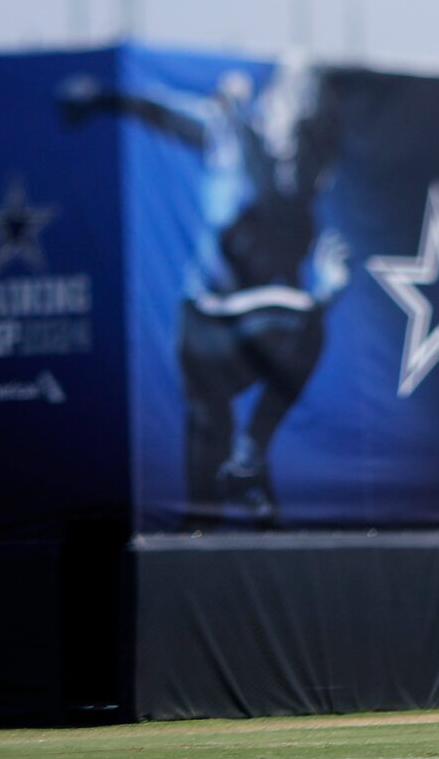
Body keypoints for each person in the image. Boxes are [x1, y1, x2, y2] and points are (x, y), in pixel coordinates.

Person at [61, 56, 348, 526]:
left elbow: (296, 326)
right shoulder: (230, 133)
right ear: (275, 109)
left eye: (314, 131)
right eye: (298, 121)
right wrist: (101, 98)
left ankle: (246, 461)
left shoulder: (302, 197)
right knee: (204, 473)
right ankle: (244, 462)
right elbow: (160, 111)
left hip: (252, 335)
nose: (300, 142)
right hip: (207, 323)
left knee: (215, 511)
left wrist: (330, 285)